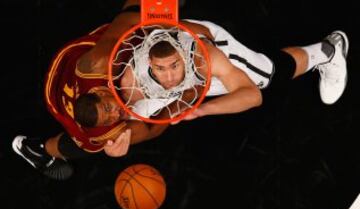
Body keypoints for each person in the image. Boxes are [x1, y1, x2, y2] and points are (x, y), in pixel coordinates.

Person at [11, 0, 170, 180]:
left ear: (100, 92)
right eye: (110, 119)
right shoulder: (105, 130)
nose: (115, 115)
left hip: (66, 68)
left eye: (109, 109)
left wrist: (173, 21)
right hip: (65, 107)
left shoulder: (97, 64)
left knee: (129, 30)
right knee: (92, 143)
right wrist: (187, 98)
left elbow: (126, 20)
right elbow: (151, 129)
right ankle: (37, 149)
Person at [116, 19, 348, 122]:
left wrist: (202, 111)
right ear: (148, 62)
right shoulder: (130, 77)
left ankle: (329, 50)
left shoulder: (207, 59)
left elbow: (252, 96)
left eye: (174, 66)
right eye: (160, 68)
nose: (168, 77)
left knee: (266, 75)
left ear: (182, 59)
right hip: (179, 41)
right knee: (170, 94)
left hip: (211, 44)